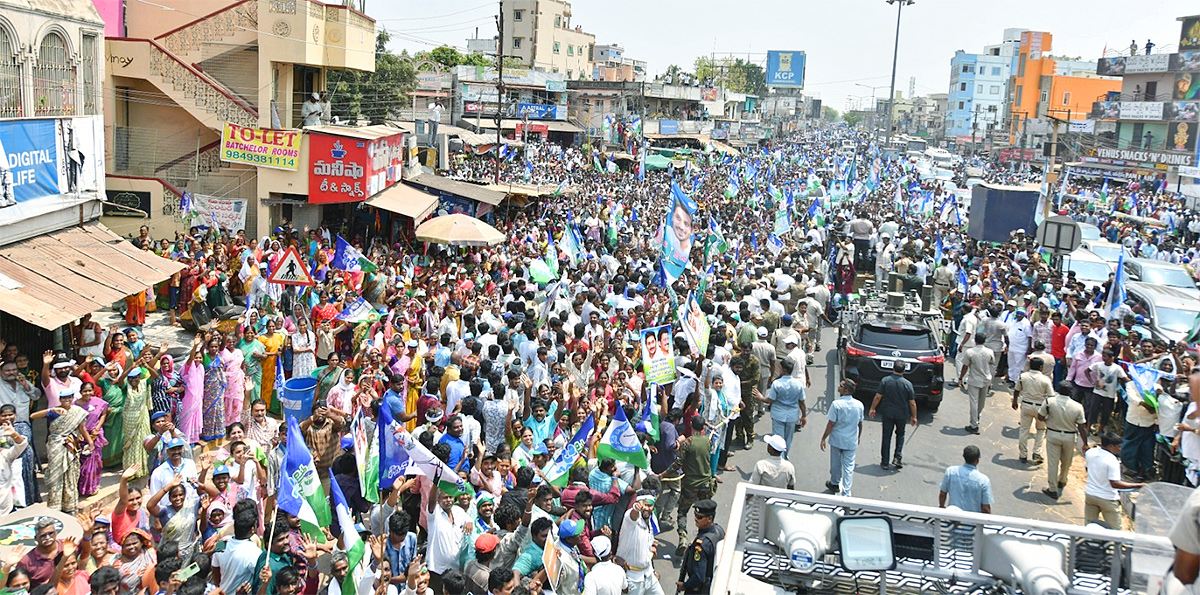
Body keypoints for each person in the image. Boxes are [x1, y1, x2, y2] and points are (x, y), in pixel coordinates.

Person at [1084, 433, 1145, 528]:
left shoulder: (1090, 452)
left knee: (1089, 526)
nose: (1120, 449)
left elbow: (1087, 469)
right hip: (1107, 498)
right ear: (1111, 446)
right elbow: (1115, 484)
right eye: (1118, 447)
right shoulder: (1112, 461)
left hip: (1090, 494)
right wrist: (1137, 485)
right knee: (1115, 530)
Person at [1039, 383, 1089, 499]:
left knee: (1053, 462)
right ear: (1071, 392)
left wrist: (1048, 421)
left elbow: (1040, 416)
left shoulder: (1049, 402)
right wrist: (1085, 443)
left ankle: (1052, 488)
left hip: (1053, 433)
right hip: (1070, 437)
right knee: (1067, 461)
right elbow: (1081, 426)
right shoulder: (1078, 406)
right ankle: (1062, 480)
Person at [752, 357, 806, 456]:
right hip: (792, 415)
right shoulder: (798, 384)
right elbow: (802, 402)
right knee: (788, 439)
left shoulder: (777, 384)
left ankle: (780, 459)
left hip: (778, 415)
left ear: (783, 370)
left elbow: (770, 400)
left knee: (778, 439)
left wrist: (761, 397)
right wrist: (804, 416)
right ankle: (784, 456)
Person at [869, 360, 918, 470]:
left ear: (893, 369)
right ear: (904, 370)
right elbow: (912, 403)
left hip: (887, 413)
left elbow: (878, 396)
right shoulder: (907, 384)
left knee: (886, 436)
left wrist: (873, 408)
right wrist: (914, 416)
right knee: (900, 435)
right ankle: (897, 457)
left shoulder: (886, 381)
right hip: (902, 414)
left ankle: (885, 461)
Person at [675, 415, 712, 557]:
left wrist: (663, 474)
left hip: (690, 484)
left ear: (691, 424)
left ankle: (683, 538)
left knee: (682, 511)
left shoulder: (688, 443)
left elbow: (677, 464)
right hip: (706, 483)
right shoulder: (707, 441)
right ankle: (704, 539)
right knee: (705, 512)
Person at [821, 379, 864, 496]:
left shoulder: (836, 404)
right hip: (851, 440)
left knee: (835, 463)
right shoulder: (859, 405)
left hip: (837, 439)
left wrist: (824, 438)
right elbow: (860, 423)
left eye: (840, 385)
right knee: (849, 467)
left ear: (846, 390)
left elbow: (831, 423)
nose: (838, 386)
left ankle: (835, 483)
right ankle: (846, 492)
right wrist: (858, 436)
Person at [677, 499, 724, 595]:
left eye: (699, 517)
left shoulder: (702, 545)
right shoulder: (719, 530)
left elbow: (699, 577)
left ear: (709, 519)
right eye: (695, 515)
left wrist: (685, 585)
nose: (695, 518)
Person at [1012, 357, 1052, 464]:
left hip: (1026, 405)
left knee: (1024, 430)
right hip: (1040, 407)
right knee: (1040, 430)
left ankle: (1023, 454)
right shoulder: (1045, 380)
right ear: (1041, 367)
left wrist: (1015, 401)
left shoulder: (1023, 376)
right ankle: (1036, 452)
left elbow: (1016, 390)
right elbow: (1051, 397)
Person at [938, 445, 994, 513]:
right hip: (972, 521)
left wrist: (941, 507)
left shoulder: (950, 471)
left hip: (952, 518)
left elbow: (942, 494)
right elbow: (985, 507)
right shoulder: (983, 480)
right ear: (977, 460)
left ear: (964, 457)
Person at [959, 334, 996, 434]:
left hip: (974, 379)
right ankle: (977, 418)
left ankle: (974, 424)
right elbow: (992, 362)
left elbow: (965, 366)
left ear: (975, 340)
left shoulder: (970, 352)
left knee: (974, 402)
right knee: (981, 401)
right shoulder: (989, 352)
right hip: (986, 379)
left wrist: (960, 378)